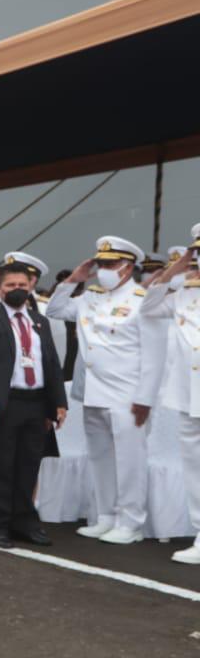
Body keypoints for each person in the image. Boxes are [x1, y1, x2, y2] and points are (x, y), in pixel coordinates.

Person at [46, 236, 164, 545]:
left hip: (128, 395)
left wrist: (145, 398)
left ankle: (131, 521)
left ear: (127, 268)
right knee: (100, 458)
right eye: (101, 264)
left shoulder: (143, 301)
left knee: (130, 461)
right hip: (94, 393)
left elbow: (153, 356)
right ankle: (107, 516)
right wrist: (74, 279)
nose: (104, 270)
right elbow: (55, 310)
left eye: (110, 265)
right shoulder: (90, 298)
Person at [0, 261, 67, 548]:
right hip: (3, 404)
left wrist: (58, 403)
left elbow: (52, 365)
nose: (17, 290)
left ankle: (24, 522)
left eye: (22, 285)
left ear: (30, 286)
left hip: (36, 403)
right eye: (11, 285)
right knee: (1, 467)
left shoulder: (40, 321)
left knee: (29, 466)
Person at [141, 227, 200, 563]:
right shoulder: (183, 294)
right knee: (194, 469)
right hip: (187, 396)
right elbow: (148, 306)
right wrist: (176, 268)